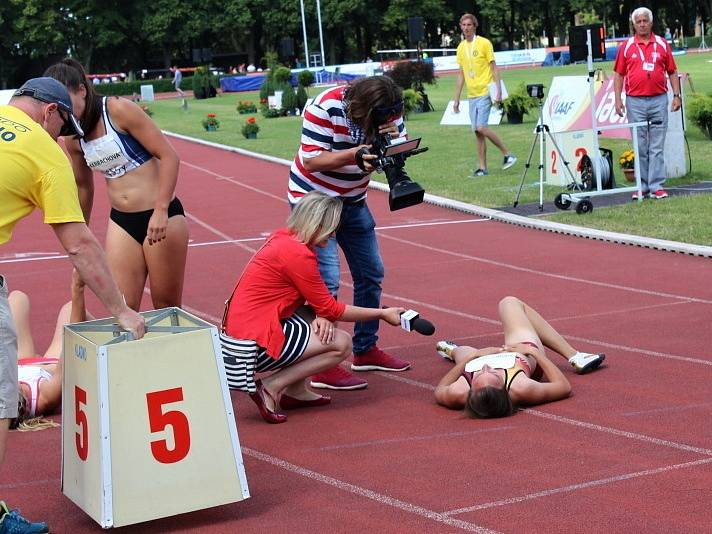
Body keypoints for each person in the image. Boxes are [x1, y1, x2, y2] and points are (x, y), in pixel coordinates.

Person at [1, 76, 145, 534]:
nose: (63, 139)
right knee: (3, 399)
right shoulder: (44, 154)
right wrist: (121, 309)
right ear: (49, 111)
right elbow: (80, 244)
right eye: (63, 128)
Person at [220, 191, 405, 424]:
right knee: (341, 343)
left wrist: (320, 313)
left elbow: (318, 305)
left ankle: (295, 391)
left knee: (315, 319)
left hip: (242, 335)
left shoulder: (284, 238)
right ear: (319, 224)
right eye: (332, 226)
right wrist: (382, 313)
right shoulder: (298, 254)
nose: (335, 233)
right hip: (251, 346)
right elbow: (332, 309)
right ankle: (270, 386)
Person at [288, 75, 411, 391]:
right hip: (314, 200)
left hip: (353, 199)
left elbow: (396, 148)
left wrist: (395, 144)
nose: (388, 118)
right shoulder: (325, 107)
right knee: (326, 280)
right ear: (362, 108)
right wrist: (355, 155)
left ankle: (365, 348)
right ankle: (322, 361)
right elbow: (312, 160)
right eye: (382, 117)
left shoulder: (388, 108)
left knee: (371, 272)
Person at [45, 59, 189, 311]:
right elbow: (84, 187)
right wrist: (80, 235)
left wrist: (161, 209)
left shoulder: (118, 110)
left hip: (160, 217)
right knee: (123, 308)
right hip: (121, 221)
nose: (65, 113)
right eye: (59, 108)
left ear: (82, 90)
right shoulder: (73, 138)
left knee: (166, 306)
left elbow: (169, 156)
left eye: (67, 102)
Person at [434, 296, 605, 418]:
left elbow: (440, 389)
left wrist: (473, 357)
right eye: (494, 373)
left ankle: (453, 351)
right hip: (519, 354)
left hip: (477, 360)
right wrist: (534, 353)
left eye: (481, 374)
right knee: (509, 303)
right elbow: (563, 387)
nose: (486, 368)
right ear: (504, 389)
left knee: (464, 353)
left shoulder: (458, 393)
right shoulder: (521, 388)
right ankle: (575, 356)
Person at [614, 6, 681, 200]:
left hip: (659, 100)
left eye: (645, 21)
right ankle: (641, 186)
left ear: (651, 23)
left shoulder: (661, 43)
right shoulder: (626, 46)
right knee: (640, 145)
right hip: (635, 102)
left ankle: (656, 186)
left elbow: (672, 71)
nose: (642, 24)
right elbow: (619, 74)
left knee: (657, 146)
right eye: (639, 21)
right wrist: (618, 99)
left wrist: (676, 96)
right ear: (634, 24)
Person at [9, 271, 89, 431]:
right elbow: (69, 348)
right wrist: (77, 288)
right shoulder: (44, 397)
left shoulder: (8, 385)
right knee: (71, 309)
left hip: (22, 361)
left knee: (17, 298)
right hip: (54, 362)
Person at [453, 13, 517, 177]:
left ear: (475, 26)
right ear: (461, 27)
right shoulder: (460, 48)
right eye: (464, 25)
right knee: (477, 132)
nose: (466, 28)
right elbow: (461, 74)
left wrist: (499, 90)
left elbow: (494, 67)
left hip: (485, 91)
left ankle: (507, 154)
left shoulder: (484, 43)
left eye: (469, 25)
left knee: (482, 127)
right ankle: (482, 168)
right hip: (471, 94)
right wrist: (457, 98)